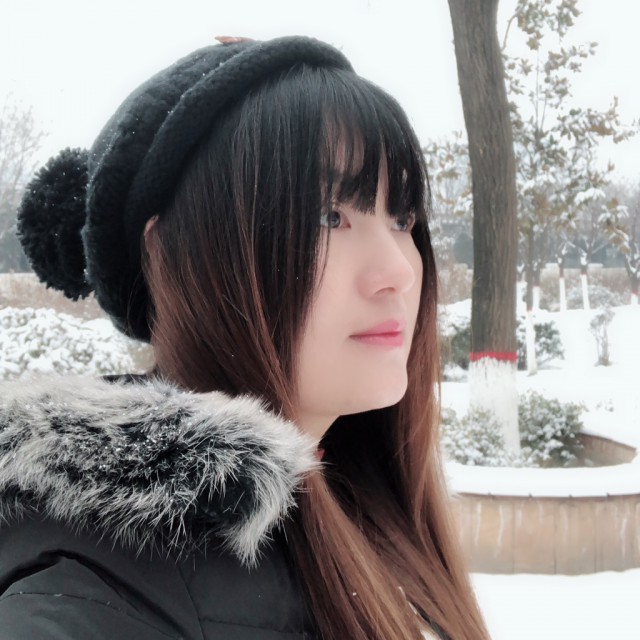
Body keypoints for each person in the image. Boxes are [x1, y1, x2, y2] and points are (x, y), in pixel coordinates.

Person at [1, 36, 489, 639]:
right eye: (328, 216)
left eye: (402, 217)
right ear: (169, 256)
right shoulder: (95, 580)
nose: (398, 271)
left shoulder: (367, 503)